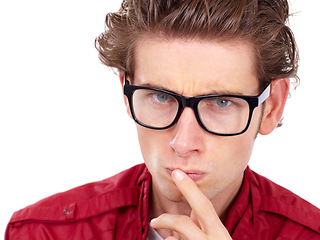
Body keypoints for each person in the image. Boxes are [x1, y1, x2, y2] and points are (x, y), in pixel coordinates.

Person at [6, 0, 320, 239]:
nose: (183, 143)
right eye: (161, 97)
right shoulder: (44, 231)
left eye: (222, 102)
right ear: (126, 93)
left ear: (273, 106)